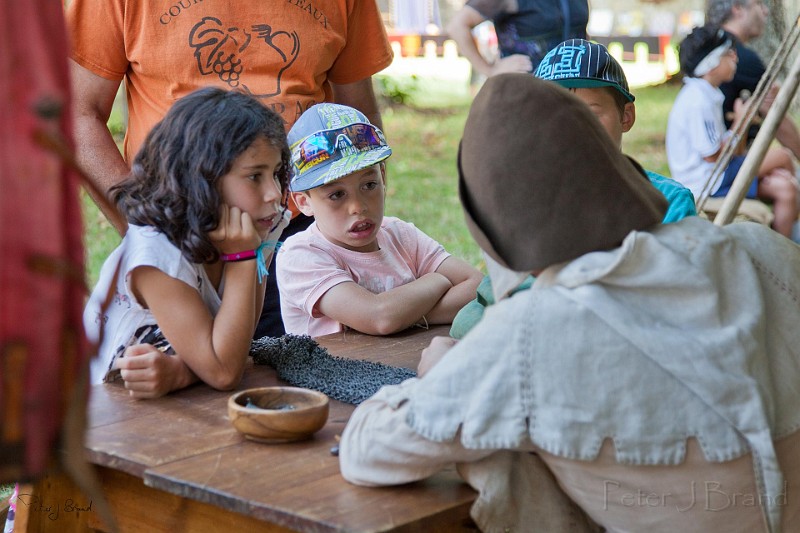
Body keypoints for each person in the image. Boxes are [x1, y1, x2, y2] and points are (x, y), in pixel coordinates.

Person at [339, 73, 800, 532]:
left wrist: (439, 379)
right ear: (616, 173)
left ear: (495, 227)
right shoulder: (759, 249)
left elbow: (367, 450)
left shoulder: (532, 330)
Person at [64, 0, 394, 339]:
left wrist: (356, 229)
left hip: (305, 229)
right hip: (183, 234)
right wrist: (148, 231)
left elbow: (357, 114)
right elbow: (78, 114)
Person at [451, 38, 697, 339]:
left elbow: (674, 301)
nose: (572, 130)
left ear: (626, 116)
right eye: (552, 116)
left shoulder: (669, 201)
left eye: (591, 113)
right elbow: (478, 309)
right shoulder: (526, 202)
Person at [83, 87, 291, 397]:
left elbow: (238, 343)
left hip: (180, 403)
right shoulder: (156, 252)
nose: (274, 193)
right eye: (254, 176)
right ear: (201, 178)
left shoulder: (254, 228)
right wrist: (242, 259)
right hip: (102, 411)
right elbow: (224, 372)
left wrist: (181, 373)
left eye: (275, 173)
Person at [276, 103, 482, 337]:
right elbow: (380, 317)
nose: (358, 206)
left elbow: (477, 285)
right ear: (303, 202)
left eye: (369, 185)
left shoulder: (400, 234)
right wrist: (437, 280)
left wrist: (404, 316)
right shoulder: (300, 255)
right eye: (336, 195)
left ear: (382, 176)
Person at [666, 25, 798, 238]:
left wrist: (740, 123)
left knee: (785, 188)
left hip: (718, 174)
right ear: (711, 65)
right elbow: (713, 156)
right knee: (783, 156)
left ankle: (784, 251)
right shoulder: (697, 100)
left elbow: (733, 151)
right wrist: (741, 121)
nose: (735, 58)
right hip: (706, 182)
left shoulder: (708, 93)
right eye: (729, 53)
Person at [707, 0, 800, 159]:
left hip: (716, 155)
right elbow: (776, 115)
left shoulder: (705, 50)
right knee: (782, 177)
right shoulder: (739, 58)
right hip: (721, 158)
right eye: (759, 4)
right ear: (737, 9)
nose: (765, 12)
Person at [445, 0, 589, 77]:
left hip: (575, 89)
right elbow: (457, 26)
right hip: (526, 92)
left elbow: (579, 32)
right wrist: (489, 70)